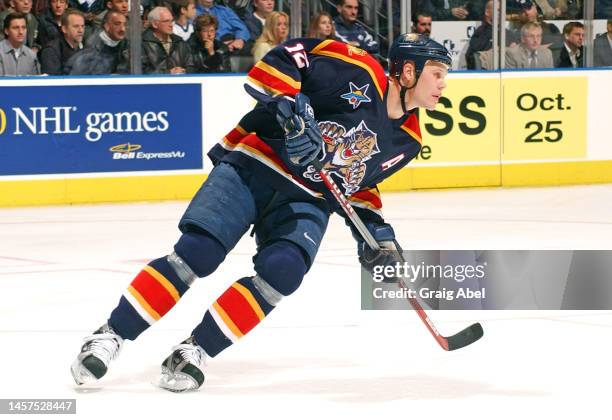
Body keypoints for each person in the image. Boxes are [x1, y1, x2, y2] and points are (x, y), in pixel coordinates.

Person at [70, 32, 451, 392]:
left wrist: (378, 235)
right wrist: (290, 107)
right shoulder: (358, 69)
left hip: (307, 198)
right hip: (256, 163)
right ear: (407, 71)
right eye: (437, 74)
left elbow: (359, 182)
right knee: (197, 253)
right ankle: (110, 335)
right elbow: (286, 57)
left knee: (283, 272)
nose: (443, 84)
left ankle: (195, 351)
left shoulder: (410, 138)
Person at [66, 10, 128, 74]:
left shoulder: (127, 46)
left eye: (125, 24)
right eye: (117, 24)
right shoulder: (91, 50)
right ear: (106, 26)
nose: (122, 29)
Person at [466, 0, 518, 69]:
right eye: (498, 10)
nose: (502, 13)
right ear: (487, 12)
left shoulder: (509, 33)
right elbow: (472, 58)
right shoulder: (480, 33)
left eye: (503, 10)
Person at [142, 6, 193, 74]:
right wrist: (167, 73)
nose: (171, 25)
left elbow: (191, 66)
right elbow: (141, 71)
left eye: (171, 21)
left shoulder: (180, 42)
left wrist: (184, 71)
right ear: (154, 24)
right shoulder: (141, 43)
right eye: (166, 21)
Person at [39, 8, 84, 74]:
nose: (81, 30)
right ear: (64, 29)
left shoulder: (85, 49)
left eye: (82, 26)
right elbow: (53, 82)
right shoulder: (51, 51)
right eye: (76, 26)